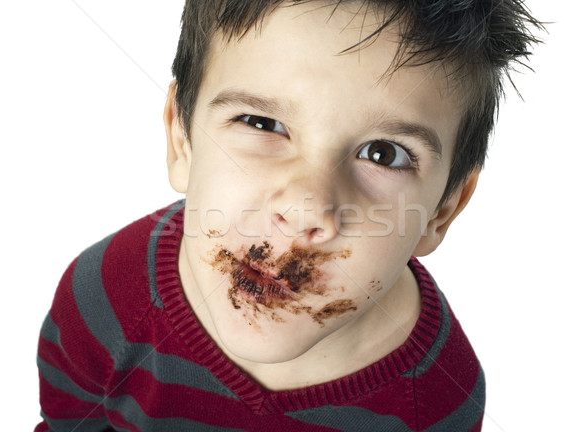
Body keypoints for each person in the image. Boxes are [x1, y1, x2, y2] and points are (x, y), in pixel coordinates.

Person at [35, 0, 542, 430]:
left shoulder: (439, 396)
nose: (305, 210)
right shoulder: (104, 295)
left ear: (443, 210)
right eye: (262, 123)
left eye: (384, 153)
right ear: (181, 139)